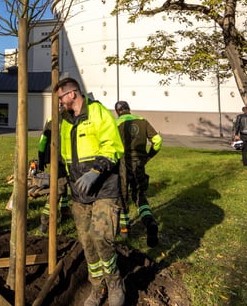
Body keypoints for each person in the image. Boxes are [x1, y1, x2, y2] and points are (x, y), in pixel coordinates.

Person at [55, 77, 126, 306]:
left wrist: (96, 171)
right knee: (86, 242)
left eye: (60, 98)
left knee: (101, 237)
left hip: (104, 188)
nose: (59, 103)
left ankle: (115, 282)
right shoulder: (65, 121)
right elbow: (65, 156)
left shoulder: (98, 113)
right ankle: (97, 288)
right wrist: (54, 177)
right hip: (79, 193)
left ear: (72, 94)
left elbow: (112, 146)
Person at [114, 101, 162, 247]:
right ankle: (150, 222)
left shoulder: (116, 124)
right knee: (139, 194)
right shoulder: (142, 121)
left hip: (123, 163)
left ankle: (125, 229)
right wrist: (148, 156)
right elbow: (157, 140)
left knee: (122, 195)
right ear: (129, 109)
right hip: (140, 162)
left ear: (118, 111)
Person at [35, 118, 70, 234]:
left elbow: (43, 140)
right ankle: (45, 221)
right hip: (66, 161)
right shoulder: (71, 118)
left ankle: (65, 212)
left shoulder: (51, 119)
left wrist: (41, 157)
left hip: (59, 161)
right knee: (58, 190)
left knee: (62, 188)